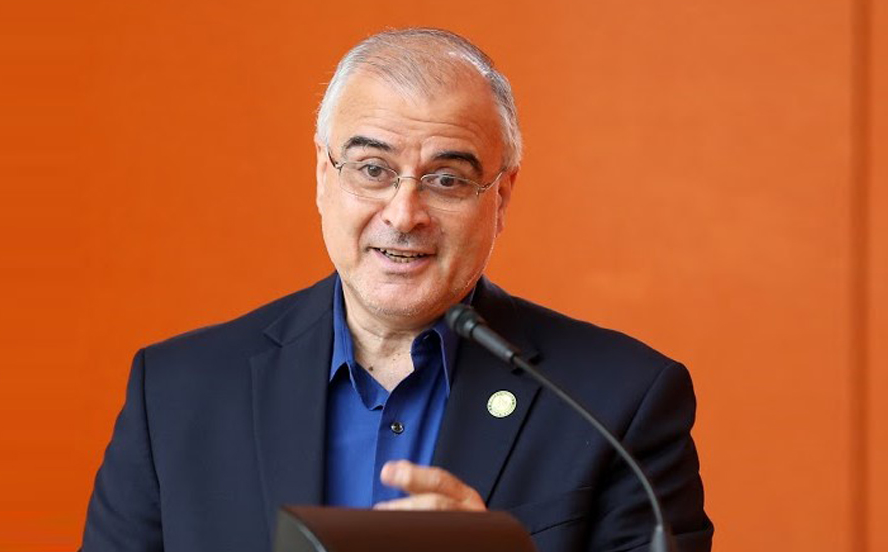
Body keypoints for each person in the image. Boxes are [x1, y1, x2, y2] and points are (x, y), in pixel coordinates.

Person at [81, 28, 713, 552]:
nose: (404, 213)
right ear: (323, 179)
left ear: (502, 198)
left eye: (446, 178)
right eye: (373, 170)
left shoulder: (617, 406)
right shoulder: (175, 394)